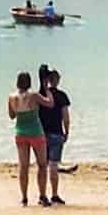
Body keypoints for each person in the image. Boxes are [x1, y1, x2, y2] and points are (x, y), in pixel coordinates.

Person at [8, 71, 49, 207]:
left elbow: (12, 116)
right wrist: (47, 89)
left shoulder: (12, 97)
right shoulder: (34, 96)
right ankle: (42, 196)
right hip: (36, 132)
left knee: (23, 167)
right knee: (42, 165)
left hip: (20, 133)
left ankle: (24, 198)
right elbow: (50, 103)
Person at [37, 64, 72, 205]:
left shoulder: (40, 96)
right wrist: (67, 132)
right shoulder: (62, 96)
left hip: (42, 134)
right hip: (57, 134)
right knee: (53, 166)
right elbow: (66, 117)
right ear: (56, 80)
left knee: (42, 166)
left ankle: (42, 195)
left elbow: (36, 116)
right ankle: (54, 194)